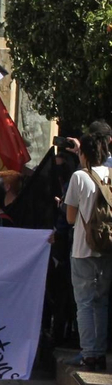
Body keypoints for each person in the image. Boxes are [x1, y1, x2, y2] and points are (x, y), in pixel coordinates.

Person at [64, 121, 112, 370]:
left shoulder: (79, 177)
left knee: (84, 301)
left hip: (83, 248)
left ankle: (89, 353)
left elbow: (71, 218)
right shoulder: (110, 174)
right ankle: (100, 351)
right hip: (107, 246)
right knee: (101, 301)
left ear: (83, 153)